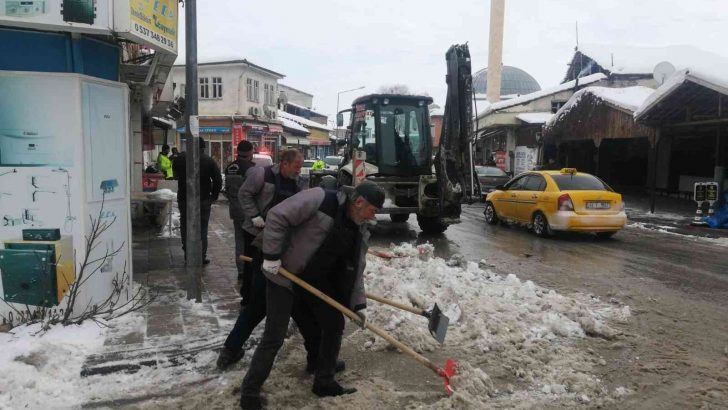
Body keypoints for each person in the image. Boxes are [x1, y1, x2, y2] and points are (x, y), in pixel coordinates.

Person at [239, 180, 385, 410]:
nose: (373, 217)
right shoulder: (321, 199)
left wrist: (358, 304)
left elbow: (356, 268)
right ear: (359, 202)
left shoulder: (360, 228)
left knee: (334, 321)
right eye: (373, 211)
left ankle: (323, 379)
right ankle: (249, 393)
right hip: (282, 272)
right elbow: (277, 216)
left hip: (314, 278)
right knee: (274, 336)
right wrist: (271, 255)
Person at [217, 149, 323, 368]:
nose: (299, 169)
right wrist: (254, 216)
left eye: (301, 165)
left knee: (279, 305)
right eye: (296, 165)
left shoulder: (298, 184)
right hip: (261, 241)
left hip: (280, 248)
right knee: (264, 302)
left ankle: (317, 355)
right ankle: (318, 356)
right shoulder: (261, 175)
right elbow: (244, 194)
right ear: (283, 163)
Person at [172, 138, 222, 264]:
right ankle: (201, 256)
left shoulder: (179, 159)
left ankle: (188, 255)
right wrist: (214, 196)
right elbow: (218, 179)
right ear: (203, 148)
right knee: (202, 228)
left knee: (186, 226)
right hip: (203, 199)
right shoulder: (209, 161)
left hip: (184, 199)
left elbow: (175, 175)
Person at [224, 141, 256, 291]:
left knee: (238, 239)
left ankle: (241, 270)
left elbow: (227, 189)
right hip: (249, 211)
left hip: (235, 209)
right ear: (250, 152)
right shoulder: (250, 168)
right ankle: (249, 267)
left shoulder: (230, 167)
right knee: (250, 240)